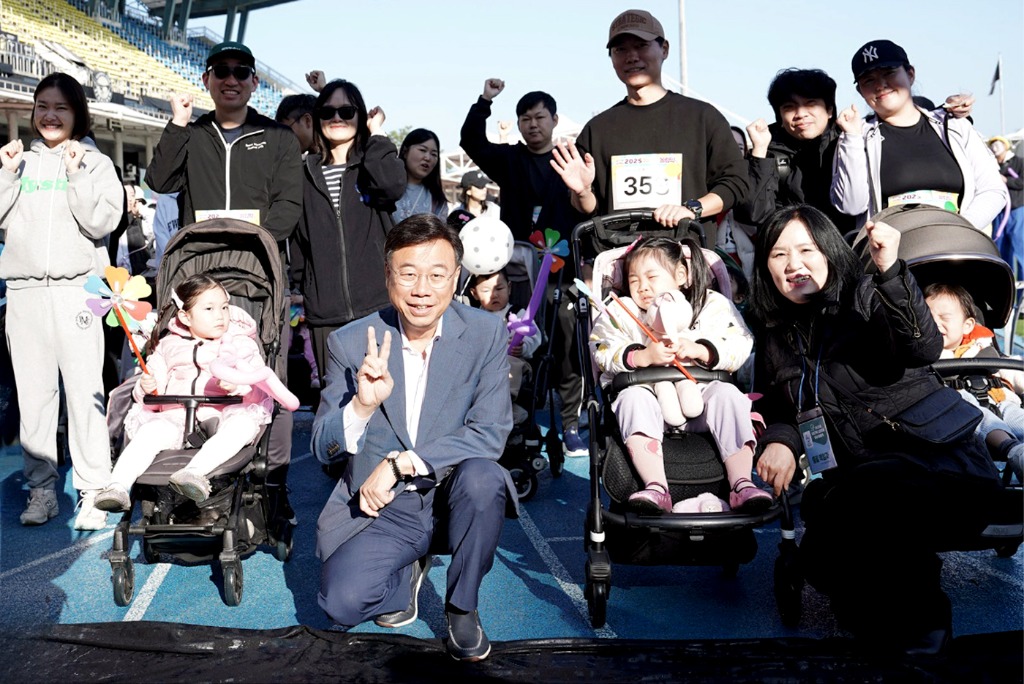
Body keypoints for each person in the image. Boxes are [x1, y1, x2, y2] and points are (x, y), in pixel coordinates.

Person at [750, 204, 1001, 654]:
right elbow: (776, 407)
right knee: (832, 563)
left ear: (829, 251)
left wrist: (890, 271)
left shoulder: (867, 294)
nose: (793, 264)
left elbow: (923, 345)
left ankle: (929, 626)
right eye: (778, 254)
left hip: (943, 466)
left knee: (876, 492)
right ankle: (883, 627)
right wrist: (782, 442)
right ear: (765, 266)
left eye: (806, 249)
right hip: (860, 484)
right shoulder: (775, 335)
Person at [313, 215, 515, 662]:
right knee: (341, 605)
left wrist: (401, 462)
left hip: (453, 491)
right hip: (384, 507)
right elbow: (321, 446)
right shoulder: (350, 343)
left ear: (456, 278)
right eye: (408, 274)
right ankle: (405, 573)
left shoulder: (484, 333)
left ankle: (462, 607)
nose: (422, 289)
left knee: (486, 478)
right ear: (389, 277)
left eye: (437, 275)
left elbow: (491, 432)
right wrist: (360, 407)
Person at [145, 40, 302, 520]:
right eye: (221, 71)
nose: (231, 79)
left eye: (241, 72)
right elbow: (159, 180)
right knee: (195, 375)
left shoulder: (277, 138)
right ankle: (190, 471)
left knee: (262, 375)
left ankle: (271, 484)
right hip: (199, 275)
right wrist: (176, 124)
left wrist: (251, 243)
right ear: (208, 80)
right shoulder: (192, 134)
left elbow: (288, 206)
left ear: (255, 82)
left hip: (260, 274)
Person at [0, 73, 123, 529]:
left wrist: (75, 173)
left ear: (77, 114)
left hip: (77, 291)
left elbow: (100, 222)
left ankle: (93, 491)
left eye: (61, 107)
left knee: (85, 394)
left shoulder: (96, 162)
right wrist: (6, 174)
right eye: (42, 106)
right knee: (34, 400)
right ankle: (42, 492)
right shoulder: (17, 162)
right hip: (25, 293)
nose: (50, 115)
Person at [589, 237, 770, 514]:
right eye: (633, 279)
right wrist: (641, 356)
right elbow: (601, 346)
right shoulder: (621, 310)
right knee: (632, 398)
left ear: (681, 275)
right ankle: (656, 486)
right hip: (650, 403)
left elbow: (740, 340)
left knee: (730, 395)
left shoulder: (709, 304)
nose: (642, 287)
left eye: (652, 277)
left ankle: (742, 482)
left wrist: (701, 350)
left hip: (702, 398)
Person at [460, 80, 589, 455]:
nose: (532, 125)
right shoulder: (510, 159)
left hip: (562, 273)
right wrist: (485, 101)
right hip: (517, 273)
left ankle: (569, 424)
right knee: (519, 348)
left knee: (566, 347)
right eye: (524, 118)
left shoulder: (571, 158)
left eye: (539, 117)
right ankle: (514, 417)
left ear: (554, 120)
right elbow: (471, 139)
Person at [551, 9, 749, 246]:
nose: (631, 56)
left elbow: (736, 183)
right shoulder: (597, 129)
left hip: (686, 259)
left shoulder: (703, 117)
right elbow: (588, 208)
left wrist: (692, 209)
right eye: (620, 49)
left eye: (641, 45)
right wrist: (582, 192)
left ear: (664, 49)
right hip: (619, 263)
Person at [94, 274, 274, 511]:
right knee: (150, 431)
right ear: (185, 316)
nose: (220, 315)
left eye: (224, 307)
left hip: (223, 411)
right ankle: (117, 486)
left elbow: (257, 382)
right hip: (175, 414)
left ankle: (193, 473)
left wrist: (238, 386)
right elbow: (151, 392)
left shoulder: (239, 343)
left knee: (244, 425)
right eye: (209, 308)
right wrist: (147, 388)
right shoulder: (168, 346)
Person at [293, 78, 406, 387]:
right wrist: (303, 288)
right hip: (325, 312)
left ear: (360, 115)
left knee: (384, 399)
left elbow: (393, 185)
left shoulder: (371, 162)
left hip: (378, 307)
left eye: (346, 110)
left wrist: (377, 133)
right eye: (328, 112)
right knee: (334, 405)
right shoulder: (302, 171)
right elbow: (300, 237)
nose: (337, 119)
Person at [831, 40, 1007, 231]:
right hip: (892, 256)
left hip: (959, 247)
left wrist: (960, 230)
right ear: (860, 91)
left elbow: (993, 189)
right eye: (868, 80)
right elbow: (851, 205)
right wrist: (852, 138)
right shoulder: (856, 137)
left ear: (910, 74)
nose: (880, 85)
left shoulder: (955, 126)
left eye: (889, 72)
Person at [924, 282, 1024, 480]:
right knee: (972, 411)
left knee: (1018, 417)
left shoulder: (984, 349)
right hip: (964, 414)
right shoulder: (925, 357)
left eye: (944, 318)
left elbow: (1013, 372)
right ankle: (1012, 450)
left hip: (1002, 400)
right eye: (927, 318)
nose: (935, 323)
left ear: (967, 325)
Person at [392, 128, 448, 224]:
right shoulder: (386, 187)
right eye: (422, 150)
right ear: (405, 152)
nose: (428, 158)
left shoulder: (437, 201)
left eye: (434, 154)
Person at [988, 136, 1023, 279]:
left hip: (1017, 211)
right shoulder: (991, 166)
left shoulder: (1018, 162)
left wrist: (1007, 180)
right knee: (1001, 251)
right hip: (999, 213)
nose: (995, 148)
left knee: (1020, 248)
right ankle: (1007, 292)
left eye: (998, 144)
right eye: (992, 145)